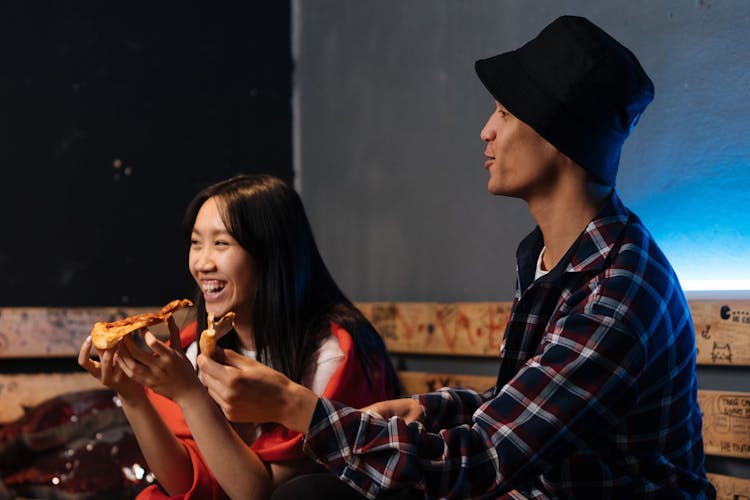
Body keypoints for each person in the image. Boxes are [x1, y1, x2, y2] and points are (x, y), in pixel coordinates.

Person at [195, 16, 716, 499]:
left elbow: (480, 463)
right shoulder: (550, 255)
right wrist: (431, 407)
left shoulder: (618, 290)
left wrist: (293, 405)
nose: (486, 131)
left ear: (560, 138)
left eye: (505, 113)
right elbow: (523, 409)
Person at [79, 174, 402, 499]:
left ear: (271, 253)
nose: (203, 262)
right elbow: (187, 484)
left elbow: (261, 494)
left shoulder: (332, 355)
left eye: (222, 243)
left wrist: (190, 395)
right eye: (196, 242)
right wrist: (133, 397)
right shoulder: (196, 347)